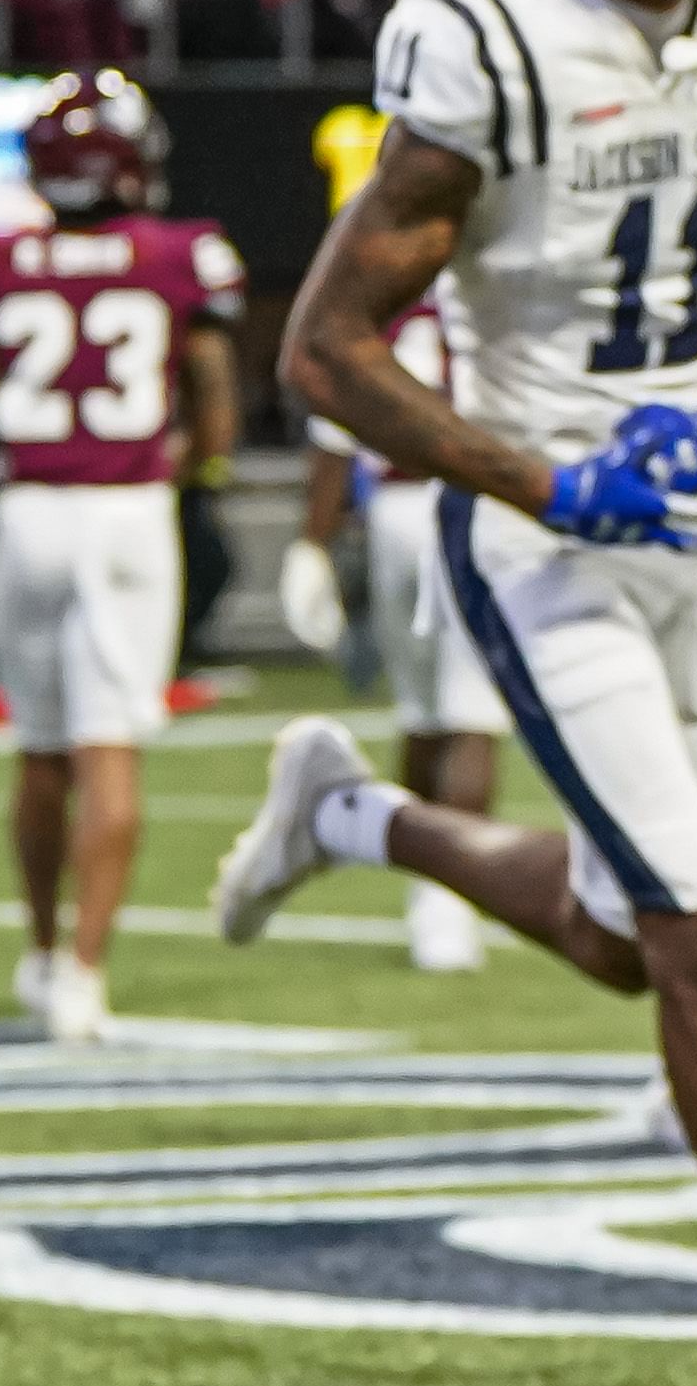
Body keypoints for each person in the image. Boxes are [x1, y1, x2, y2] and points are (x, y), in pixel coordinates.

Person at [210, 0, 697, 1286]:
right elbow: (326, 350)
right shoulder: (486, 43)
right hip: (530, 530)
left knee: (628, 939)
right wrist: (545, 479)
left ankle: (353, 813)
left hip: (695, 520)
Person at [0, 72, 244, 1042]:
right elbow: (214, 388)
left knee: (41, 753)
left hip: (27, 517)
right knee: (111, 752)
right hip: (129, 514)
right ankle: (85, 971)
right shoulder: (179, 255)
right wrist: (206, 457)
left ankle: (37, 946)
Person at [277, 298, 501, 973]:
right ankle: (448, 901)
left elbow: (333, 436)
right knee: (471, 716)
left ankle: (427, 884)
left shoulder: (382, 314)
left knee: (424, 713)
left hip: (398, 515)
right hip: (474, 505)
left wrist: (313, 540)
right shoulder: (495, 306)